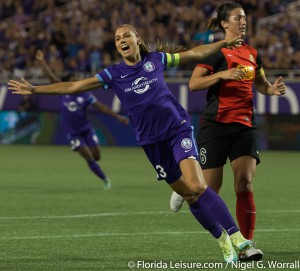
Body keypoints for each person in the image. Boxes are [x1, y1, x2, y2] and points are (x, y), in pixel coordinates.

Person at [9, 24, 257, 263]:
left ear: (137, 39)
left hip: (177, 130)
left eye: (125, 36)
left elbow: (193, 53)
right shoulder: (113, 74)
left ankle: (238, 238)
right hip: (152, 143)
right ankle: (221, 238)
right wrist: (36, 90)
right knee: (190, 196)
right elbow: (74, 85)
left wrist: (224, 43)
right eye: (117, 39)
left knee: (197, 186)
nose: (121, 41)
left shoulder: (157, 60)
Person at [170, 2, 286, 260]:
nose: (243, 21)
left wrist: (272, 89)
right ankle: (183, 186)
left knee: (244, 182)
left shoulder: (254, 53)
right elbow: (194, 84)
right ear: (224, 23)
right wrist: (223, 76)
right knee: (207, 190)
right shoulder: (215, 53)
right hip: (215, 126)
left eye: (244, 17)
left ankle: (246, 245)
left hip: (244, 126)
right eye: (237, 18)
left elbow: (261, 84)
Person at [35, 49, 129, 190]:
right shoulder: (63, 93)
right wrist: (42, 61)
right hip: (73, 133)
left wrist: (118, 117)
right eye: (74, 79)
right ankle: (105, 180)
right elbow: (52, 78)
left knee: (97, 156)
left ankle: (100, 173)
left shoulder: (85, 95)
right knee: (88, 157)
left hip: (86, 130)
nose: (76, 82)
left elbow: (101, 107)